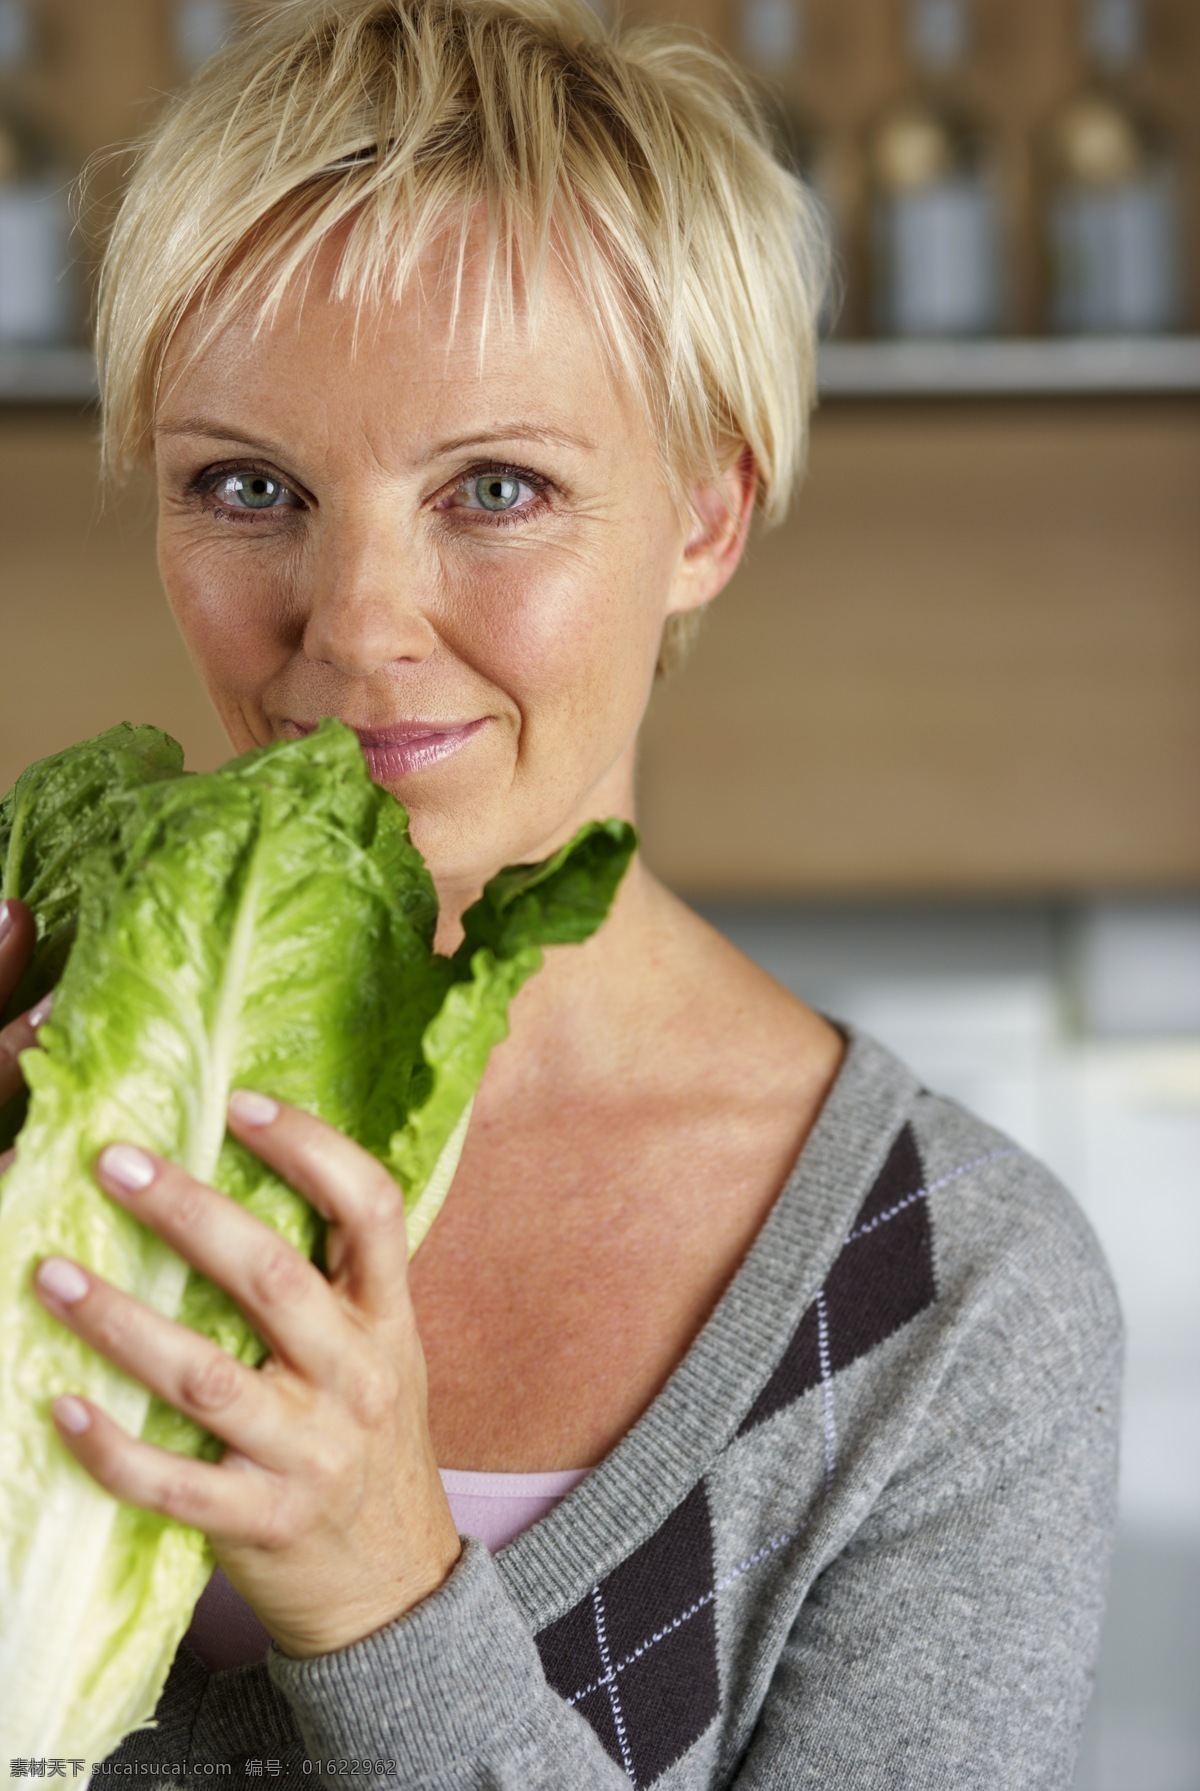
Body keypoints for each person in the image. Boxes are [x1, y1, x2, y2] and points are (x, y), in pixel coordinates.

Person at [0, 0, 1122, 1783]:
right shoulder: (34, 1071)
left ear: (705, 518)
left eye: (497, 487)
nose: (356, 625)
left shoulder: (945, 1300)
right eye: (246, 486)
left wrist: (378, 1596)